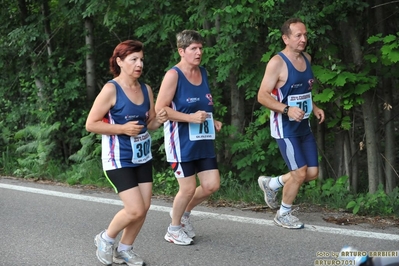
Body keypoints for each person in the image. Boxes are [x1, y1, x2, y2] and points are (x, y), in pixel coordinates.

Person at [86, 40, 168, 265]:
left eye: (141, 59)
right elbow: (91, 124)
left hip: (142, 157)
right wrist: (122, 129)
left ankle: (124, 248)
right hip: (117, 158)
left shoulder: (146, 89)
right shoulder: (111, 89)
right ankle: (105, 238)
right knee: (134, 209)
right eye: (134, 59)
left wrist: (157, 120)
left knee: (144, 208)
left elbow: (148, 123)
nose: (139, 64)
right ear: (120, 62)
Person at [155, 30, 222, 246]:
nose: (199, 52)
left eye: (201, 48)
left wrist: (213, 121)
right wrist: (189, 118)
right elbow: (160, 110)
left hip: (203, 139)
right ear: (181, 51)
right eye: (193, 48)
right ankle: (173, 229)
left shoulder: (203, 72)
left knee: (211, 185)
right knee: (188, 188)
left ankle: (183, 214)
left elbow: (203, 107)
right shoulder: (173, 75)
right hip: (180, 141)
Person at [257, 18, 325, 229]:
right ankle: (283, 214)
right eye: (298, 35)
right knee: (299, 173)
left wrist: (314, 107)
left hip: (303, 125)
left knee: (312, 173)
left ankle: (272, 183)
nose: (303, 39)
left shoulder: (307, 58)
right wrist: (286, 109)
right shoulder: (277, 63)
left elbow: (304, 91)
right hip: (284, 127)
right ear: (286, 38)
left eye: (305, 35)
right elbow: (262, 96)